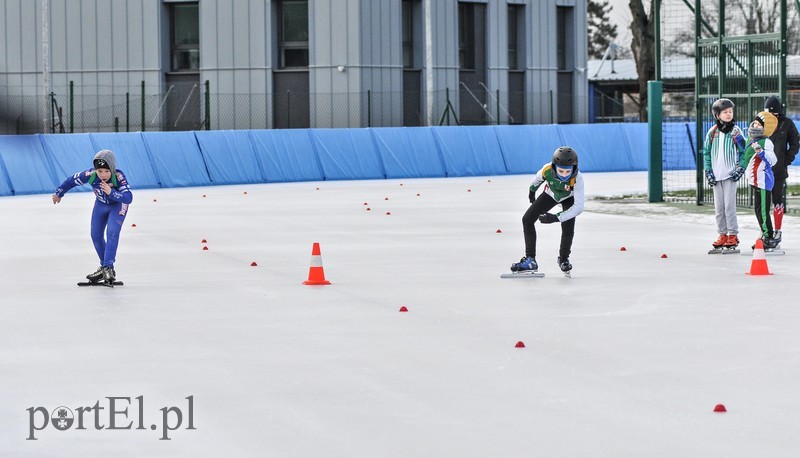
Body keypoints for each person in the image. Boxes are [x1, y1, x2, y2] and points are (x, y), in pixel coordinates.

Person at [52, 149, 133, 284]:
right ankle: (105, 269)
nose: (103, 175)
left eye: (107, 171)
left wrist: (112, 192)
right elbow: (71, 181)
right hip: (101, 204)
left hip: (117, 205)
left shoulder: (118, 176)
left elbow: (128, 197)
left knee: (112, 232)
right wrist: (59, 193)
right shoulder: (90, 174)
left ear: (112, 169)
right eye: (100, 171)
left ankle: (108, 267)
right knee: (95, 235)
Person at [510, 146, 585, 274]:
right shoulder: (547, 170)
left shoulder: (577, 179)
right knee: (527, 220)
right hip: (551, 194)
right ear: (554, 167)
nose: (564, 175)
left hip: (569, 198)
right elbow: (537, 180)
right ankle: (530, 260)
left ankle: (564, 259)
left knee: (568, 227)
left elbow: (578, 207)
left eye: (568, 172)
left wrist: (556, 218)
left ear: (575, 168)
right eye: (561, 171)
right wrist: (532, 191)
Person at [702, 98, 746, 250]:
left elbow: (743, 152)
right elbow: (706, 153)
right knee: (718, 208)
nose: (728, 114)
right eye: (725, 112)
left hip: (729, 175)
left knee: (729, 207)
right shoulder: (712, 133)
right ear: (717, 115)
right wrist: (708, 171)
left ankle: (733, 234)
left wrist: (740, 168)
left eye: (730, 112)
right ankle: (722, 234)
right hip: (716, 175)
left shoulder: (736, 132)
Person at [763, 95, 799, 245]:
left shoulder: (787, 124)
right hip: (762, 169)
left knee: (777, 200)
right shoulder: (761, 122)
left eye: (775, 114)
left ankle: (778, 231)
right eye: (769, 114)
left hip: (778, 170)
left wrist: (786, 160)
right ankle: (766, 231)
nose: (772, 117)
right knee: (763, 202)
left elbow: (795, 144)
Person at [741, 111, 779, 248]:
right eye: (755, 122)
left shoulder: (765, 142)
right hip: (755, 181)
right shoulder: (751, 139)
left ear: (765, 128)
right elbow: (744, 150)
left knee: (763, 211)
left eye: (759, 124)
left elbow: (773, 160)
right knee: (758, 210)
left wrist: (761, 152)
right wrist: (737, 137)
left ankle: (769, 237)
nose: (755, 125)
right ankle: (765, 233)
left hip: (763, 181)